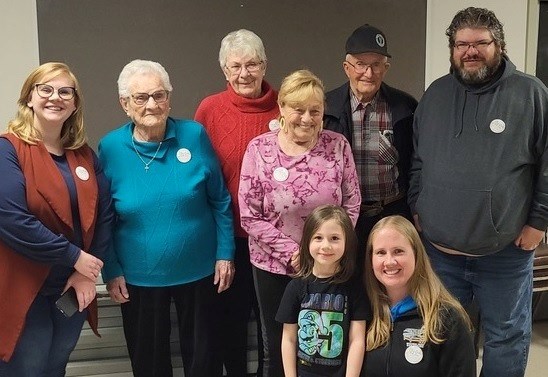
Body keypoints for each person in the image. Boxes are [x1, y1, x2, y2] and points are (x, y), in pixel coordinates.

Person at [408, 7, 548, 377]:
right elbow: (419, 159)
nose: (470, 51)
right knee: (443, 335)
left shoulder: (530, 94)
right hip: (441, 253)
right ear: (452, 49)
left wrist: (539, 220)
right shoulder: (436, 94)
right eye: (461, 44)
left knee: (505, 337)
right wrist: (417, 204)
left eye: (480, 43)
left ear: (498, 44)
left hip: (504, 253)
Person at [98, 59, 235, 377]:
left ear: (169, 98)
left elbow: (220, 200)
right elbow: (102, 217)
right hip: (138, 277)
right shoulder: (110, 148)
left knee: (205, 362)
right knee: (149, 363)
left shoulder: (194, 135)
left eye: (159, 95)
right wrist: (111, 269)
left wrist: (225, 253)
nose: (152, 104)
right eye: (141, 97)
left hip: (201, 273)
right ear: (125, 104)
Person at [239, 69, 361, 377]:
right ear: (281, 107)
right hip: (275, 267)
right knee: (278, 346)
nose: (306, 118)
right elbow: (249, 214)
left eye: (315, 111)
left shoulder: (338, 146)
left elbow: (352, 202)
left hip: (328, 265)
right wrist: (293, 251)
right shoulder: (259, 149)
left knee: (326, 343)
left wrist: (332, 246)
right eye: (298, 109)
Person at [0, 62, 114, 375]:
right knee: (27, 366)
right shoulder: (8, 149)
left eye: (65, 91)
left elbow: (104, 215)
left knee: (56, 365)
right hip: (24, 286)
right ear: (29, 99)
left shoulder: (84, 155)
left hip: (72, 285)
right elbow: (11, 220)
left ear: (75, 103)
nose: (56, 97)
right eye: (46, 90)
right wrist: (74, 256)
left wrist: (86, 272)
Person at [194, 28, 279, 376]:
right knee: (227, 325)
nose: (244, 74)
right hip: (226, 241)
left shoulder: (284, 107)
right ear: (224, 71)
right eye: (235, 67)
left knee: (271, 324)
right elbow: (199, 176)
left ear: (264, 65)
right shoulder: (209, 110)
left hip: (274, 239)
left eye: (252, 64)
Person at [323, 24, 418, 272]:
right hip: (344, 218)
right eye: (360, 64)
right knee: (348, 280)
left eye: (376, 64)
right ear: (347, 68)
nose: (368, 72)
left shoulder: (405, 108)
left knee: (392, 279)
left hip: (392, 212)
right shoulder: (325, 108)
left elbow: (416, 164)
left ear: (386, 67)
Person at [364, 216, 476, 377]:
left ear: (417, 256)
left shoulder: (448, 318)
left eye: (398, 251)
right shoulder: (362, 314)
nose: (389, 261)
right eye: (381, 252)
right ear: (370, 259)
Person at [276, 205, 370, 377]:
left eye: (334, 238)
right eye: (318, 238)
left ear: (347, 243)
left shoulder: (354, 288)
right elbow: (289, 339)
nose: (326, 246)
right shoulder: (295, 287)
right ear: (307, 242)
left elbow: (357, 340)